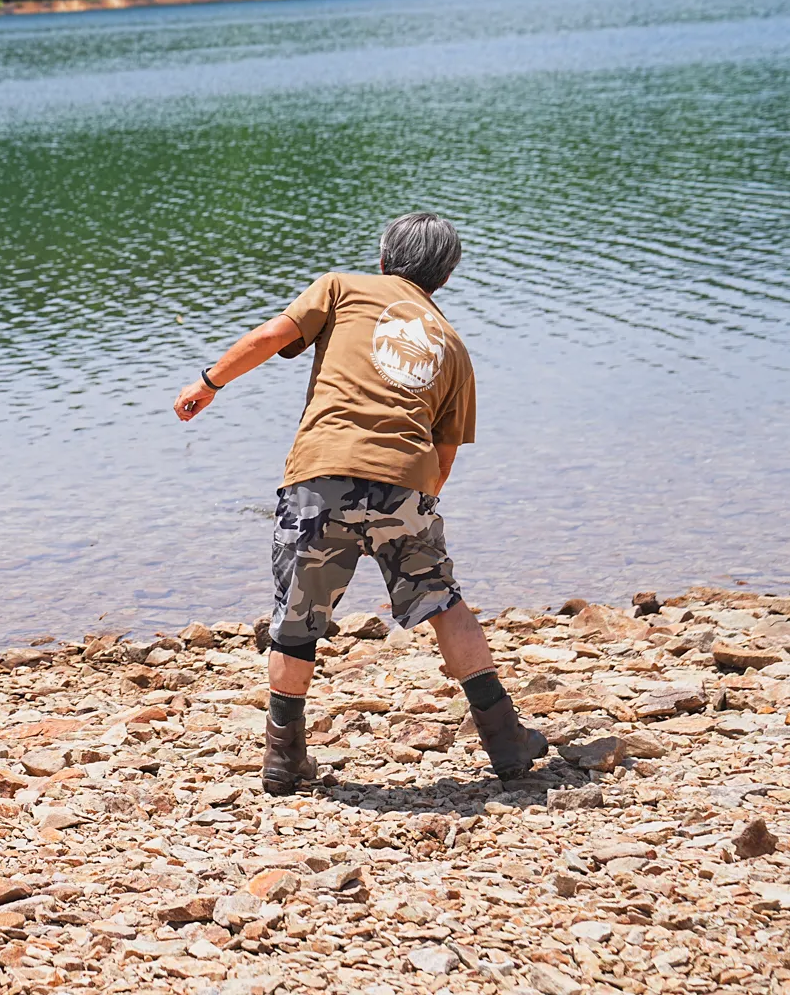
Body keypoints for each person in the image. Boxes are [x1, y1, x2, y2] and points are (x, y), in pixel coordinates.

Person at [172, 212, 548, 794]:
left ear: (383, 258)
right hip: (405, 483)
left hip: (320, 475)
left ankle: (284, 758)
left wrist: (210, 381)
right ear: (444, 277)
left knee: (295, 620)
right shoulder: (452, 344)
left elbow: (272, 338)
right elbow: (444, 455)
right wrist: (410, 511)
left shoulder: (341, 287)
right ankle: (505, 742)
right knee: (442, 601)